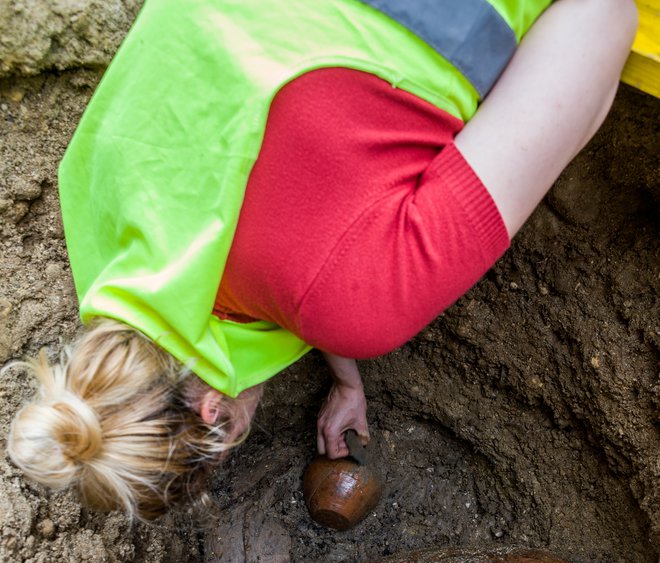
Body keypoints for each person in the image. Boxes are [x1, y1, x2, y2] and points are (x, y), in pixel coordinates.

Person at [7, 0, 638, 520]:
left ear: (216, 420)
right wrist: (346, 375)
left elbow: (603, 16)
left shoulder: (362, 300)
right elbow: (284, 219)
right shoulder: (101, 207)